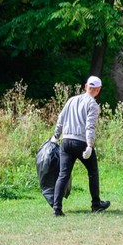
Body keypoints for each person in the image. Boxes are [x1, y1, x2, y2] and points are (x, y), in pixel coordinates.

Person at [50, 76, 111, 216]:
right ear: (98, 90)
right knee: (93, 172)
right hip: (81, 142)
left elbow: (61, 118)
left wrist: (56, 136)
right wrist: (89, 145)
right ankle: (96, 204)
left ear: (85, 86)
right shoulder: (93, 105)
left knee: (63, 174)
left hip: (66, 141)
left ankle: (57, 208)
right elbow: (90, 126)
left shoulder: (72, 100)